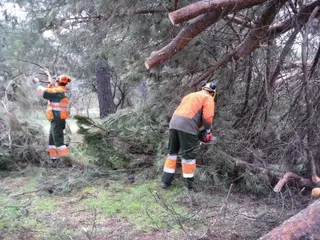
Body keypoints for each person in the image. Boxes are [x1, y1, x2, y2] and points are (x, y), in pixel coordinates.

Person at [161, 82, 217, 190]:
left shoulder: (190, 95)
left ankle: (165, 182)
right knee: (189, 156)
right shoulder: (208, 98)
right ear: (213, 92)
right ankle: (190, 185)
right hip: (187, 126)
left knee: (172, 153)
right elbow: (208, 117)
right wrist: (208, 130)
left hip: (173, 124)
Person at [32, 72, 71, 164]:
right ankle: (53, 159)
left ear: (57, 82)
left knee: (58, 141)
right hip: (56, 120)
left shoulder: (57, 92)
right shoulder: (60, 91)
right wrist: (49, 79)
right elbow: (51, 90)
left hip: (57, 120)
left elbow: (43, 92)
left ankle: (67, 160)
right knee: (52, 141)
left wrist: (36, 83)